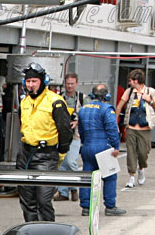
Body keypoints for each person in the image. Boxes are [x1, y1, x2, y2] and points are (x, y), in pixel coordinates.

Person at [17, 63, 72, 222]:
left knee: (43, 200)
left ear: (43, 81)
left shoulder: (55, 101)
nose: (31, 85)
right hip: (25, 154)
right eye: (28, 82)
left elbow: (65, 130)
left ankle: (47, 233)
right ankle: (31, 231)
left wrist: (61, 152)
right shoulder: (24, 102)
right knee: (27, 201)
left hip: (46, 156)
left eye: (34, 81)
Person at [78, 84, 126, 217]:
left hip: (87, 146)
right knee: (110, 176)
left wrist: (85, 142)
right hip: (103, 147)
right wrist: (116, 146)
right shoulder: (107, 108)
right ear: (106, 96)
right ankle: (110, 206)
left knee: (88, 178)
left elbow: (81, 130)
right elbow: (112, 128)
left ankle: (86, 207)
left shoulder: (83, 109)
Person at [114, 68, 154, 189]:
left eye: (131, 80)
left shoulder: (150, 91)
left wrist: (150, 101)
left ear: (136, 80)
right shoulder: (129, 91)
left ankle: (141, 168)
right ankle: (131, 175)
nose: (129, 82)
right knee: (131, 152)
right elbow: (120, 106)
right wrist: (116, 123)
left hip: (145, 128)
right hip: (131, 127)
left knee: (143, 153)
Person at [56, 73, 84, 202]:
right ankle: (63, 192)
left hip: (75, 135)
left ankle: (74, 188)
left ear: (76, 83)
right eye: (68, 84)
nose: (70, 86)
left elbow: (87, 114)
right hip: (60, 134)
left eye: (72, 83)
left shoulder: (82, 98)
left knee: (71, 162)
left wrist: (77, 122)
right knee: (61, 163)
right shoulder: (58, 98)